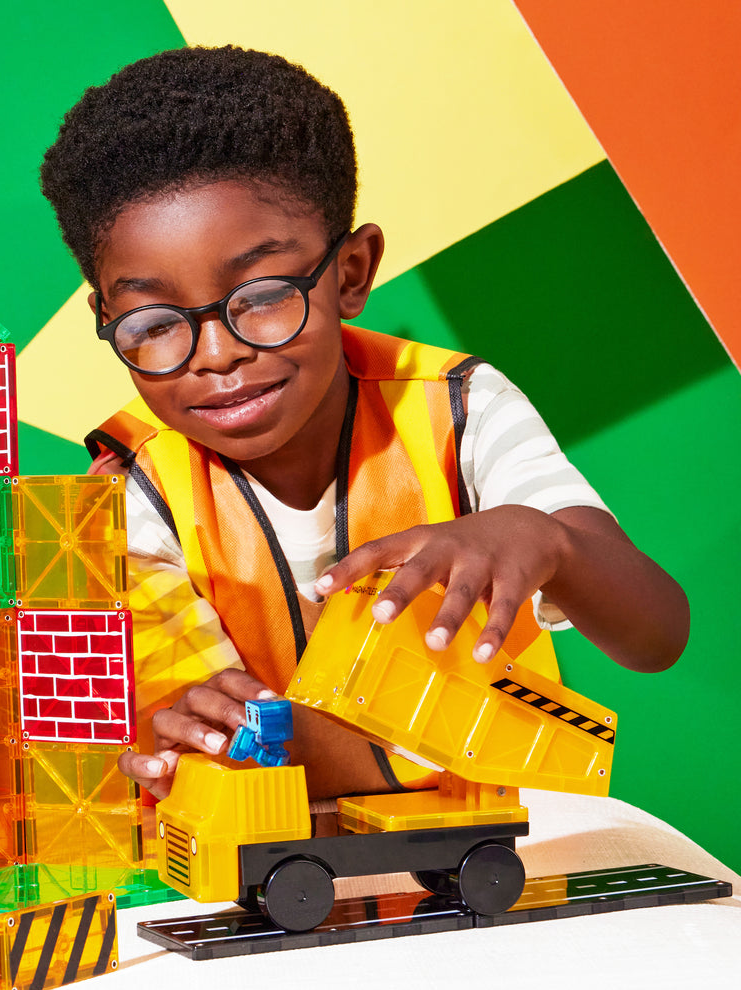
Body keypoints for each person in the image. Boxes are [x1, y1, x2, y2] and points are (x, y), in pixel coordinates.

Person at [39, 45, 688, 803]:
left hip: (504, 859)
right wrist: (180, 734)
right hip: (279, 865)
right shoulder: (126, 493)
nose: (216, 354)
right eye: (153, 321)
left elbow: (654, 635)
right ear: (106, 317)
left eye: (262, 295)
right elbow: (246, 745)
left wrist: (548, 541)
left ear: (351, 272)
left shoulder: (461, 409)